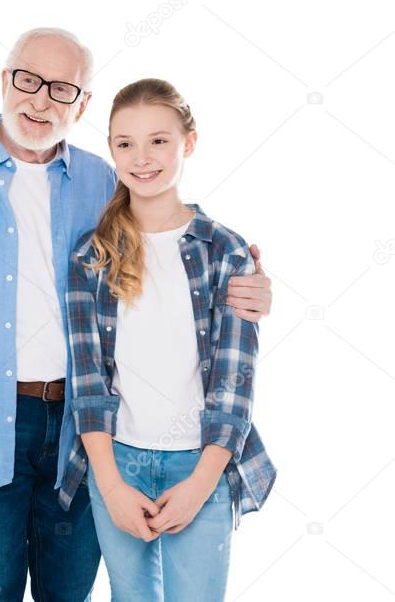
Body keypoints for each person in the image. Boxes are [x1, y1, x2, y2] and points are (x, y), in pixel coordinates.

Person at [0, 29, 273, 601]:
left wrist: (249, 281)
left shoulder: (99, 179)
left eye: (62, 89)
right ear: (4, 81)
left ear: (81, 104)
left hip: (83, 427)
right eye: (29, 80)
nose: (41, 100)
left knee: (71, 591)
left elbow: (170, 229)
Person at [57, 78, 276, 601]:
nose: (142, 158)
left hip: (202, 462)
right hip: (117, 462)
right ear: (110, 149)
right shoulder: (91, 257)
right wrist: (110, 485)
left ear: (189, 143)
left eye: (159, 140)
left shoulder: (225, 252)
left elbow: (233, 385)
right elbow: (89, 384)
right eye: (124, 143)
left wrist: (200, 485)